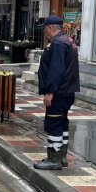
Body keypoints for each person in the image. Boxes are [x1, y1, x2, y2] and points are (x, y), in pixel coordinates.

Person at [34, 16, 80, 171]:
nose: (44, 32)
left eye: (45, 29)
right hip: (67, 91)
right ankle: (61, 157)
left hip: (59, 92)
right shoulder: (68, 40)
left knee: (54, 124)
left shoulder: (58, 43)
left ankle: (53, 159)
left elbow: (56, 69)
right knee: (62, 123)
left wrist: (50, 92)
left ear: (50, 28)